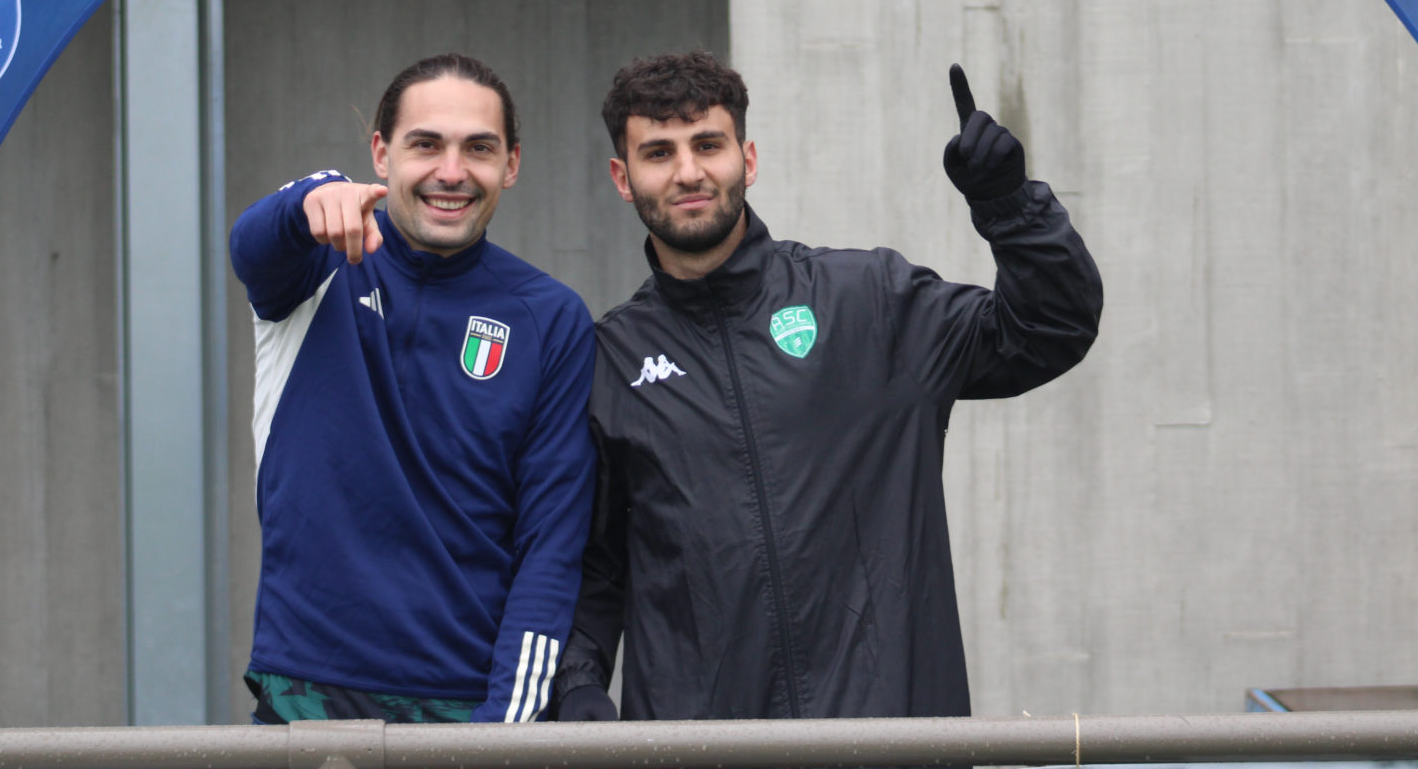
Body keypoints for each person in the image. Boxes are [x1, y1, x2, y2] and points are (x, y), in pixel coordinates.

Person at [551, 51, 1101, 721]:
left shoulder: (869, 301)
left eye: (708, 145)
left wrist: (1010, 207)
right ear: (623, 177)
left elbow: (1048, 331)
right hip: (704, 754)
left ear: (748, 159)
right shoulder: (609, 362)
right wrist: (577, 683)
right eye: (659, 152)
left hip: (890, 744)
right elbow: (593, 566)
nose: (688, 171)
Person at [228, 53, 595, 724]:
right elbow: (251, 247)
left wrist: (504, 735)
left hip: (468, 704)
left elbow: (551, 546)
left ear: (511, 164)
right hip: (307, 691)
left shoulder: (551, 317)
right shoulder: (313, 267)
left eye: (478, 148)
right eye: (425, 144)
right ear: (381, 153)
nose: (451, 172)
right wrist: (311, 195)